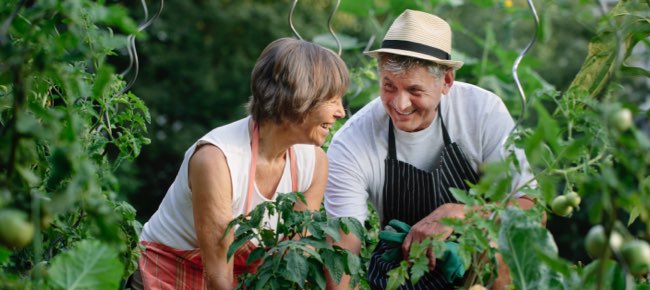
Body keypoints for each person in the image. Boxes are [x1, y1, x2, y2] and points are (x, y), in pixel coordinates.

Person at [323, 9, 536, 289]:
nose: (400, 104)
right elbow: (343, 255)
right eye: (389, 86)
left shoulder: (482, 112)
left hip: (479, 274)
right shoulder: (353, 142)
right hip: (402, 272)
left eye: (414, 90)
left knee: (501, 241)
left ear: (446, 81)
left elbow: (531, 211)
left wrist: (461, 214)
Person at [129, 37, 348, 289]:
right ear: (298, 97)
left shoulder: (314, 163)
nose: (340, 112)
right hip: (168, 271)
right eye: (332, 99)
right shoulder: (217, 159)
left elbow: (295, 256)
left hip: (242, 278)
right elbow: (219, 275)